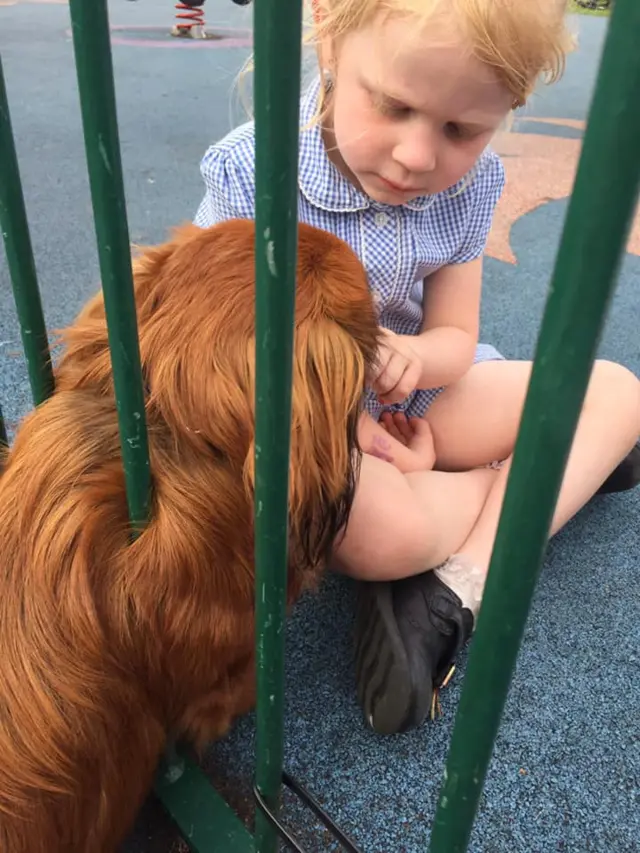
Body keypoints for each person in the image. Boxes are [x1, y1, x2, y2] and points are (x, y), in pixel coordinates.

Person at [193, 0, 640, 735]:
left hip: (420, 398)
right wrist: (355, 426)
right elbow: (223, 355)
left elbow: (456, 334)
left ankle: (457, 585)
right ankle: (529, 486)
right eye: (395, 106)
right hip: (316, 425)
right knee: (375, 532)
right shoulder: (252, 170)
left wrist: (414, 358)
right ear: (331, 34)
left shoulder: (468, 185)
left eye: (462, 129)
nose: (418, 157)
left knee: (616, 390)